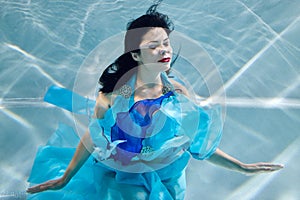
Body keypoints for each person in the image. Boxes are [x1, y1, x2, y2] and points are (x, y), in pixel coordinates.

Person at [26, 3, 283, 200]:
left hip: (171, 177)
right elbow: (93, 137)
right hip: (126, 179)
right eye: (154, 46)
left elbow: (196, 142)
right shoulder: (114, 97)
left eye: (166, 43)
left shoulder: (179, 94)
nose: (165, 51)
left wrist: (241, 167)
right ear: (136, 56)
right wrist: (65, 177)